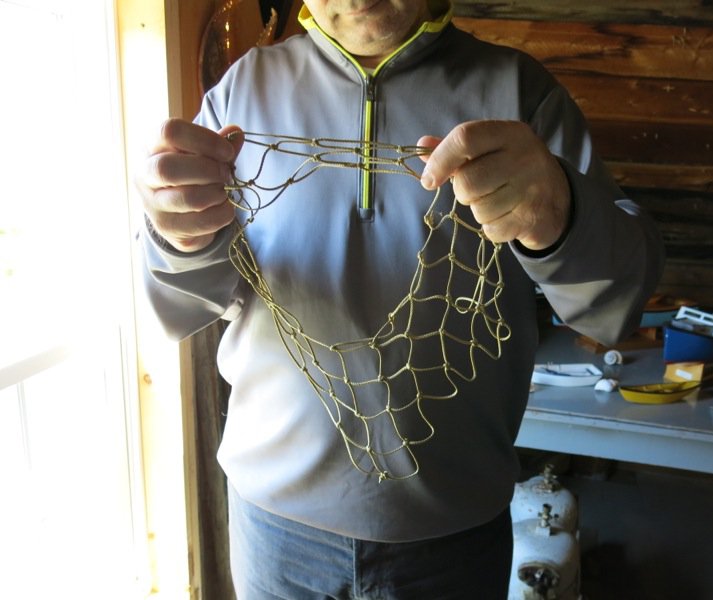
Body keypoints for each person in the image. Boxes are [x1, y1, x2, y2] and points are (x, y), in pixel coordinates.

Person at [137, 0, 664, 597]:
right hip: (272, 532)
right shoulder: (238, 93)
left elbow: (617, 306)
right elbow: (175, 307)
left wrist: (560, 213)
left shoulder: (522, 95)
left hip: (452, 537)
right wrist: (177, 233)